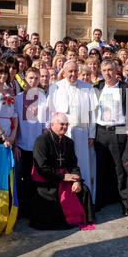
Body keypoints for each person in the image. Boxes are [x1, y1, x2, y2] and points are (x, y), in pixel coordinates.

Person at [30, 112, 95, 230]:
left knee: (83, 189)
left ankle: (81, 217)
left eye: (66, 124)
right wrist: (63, 177)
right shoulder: (41, 140)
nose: (64, 127)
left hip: (63, 177)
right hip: (47, 179)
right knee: (52, 200)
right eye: (62, 124)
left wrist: (77, 180)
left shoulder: (68, 142)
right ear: (52, 124)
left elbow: (73, 165)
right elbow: (42, 167)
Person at [47, 60, 98, 205]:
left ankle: (85, 201)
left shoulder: (88, 87)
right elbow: (51, 112)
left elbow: (92, 114)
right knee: (64, 165)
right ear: (64, 72)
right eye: (70, 71)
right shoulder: (55, 87)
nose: (73, 74)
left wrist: (92, 134)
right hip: (62, 133)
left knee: (82, 165)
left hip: (82, 133)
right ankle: (65, 201)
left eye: (76, 71)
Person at [94, 59, 128, 213]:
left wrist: (127, 130)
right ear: (101, 72)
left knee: (120, 169)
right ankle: (101, 200)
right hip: (100, 132)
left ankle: (125, 202)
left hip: (119, 131)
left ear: (116, 70)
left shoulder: (127, 89)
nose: (108, 73)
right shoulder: (97, 88)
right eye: (104, 70)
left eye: (110, 70)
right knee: (101, 168)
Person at [14, 67, 47, 218]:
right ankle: (22, 209)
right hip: (21, 145)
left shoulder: (43, 99)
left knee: (36, 179)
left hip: (37, 147)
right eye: (30, 78)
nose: (33, 81)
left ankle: (35, 209)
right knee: (22, 179)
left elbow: (45, 126)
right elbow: (14, 125)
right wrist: (15, 145)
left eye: (36, 78)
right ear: (25, 79)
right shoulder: (17, 99)